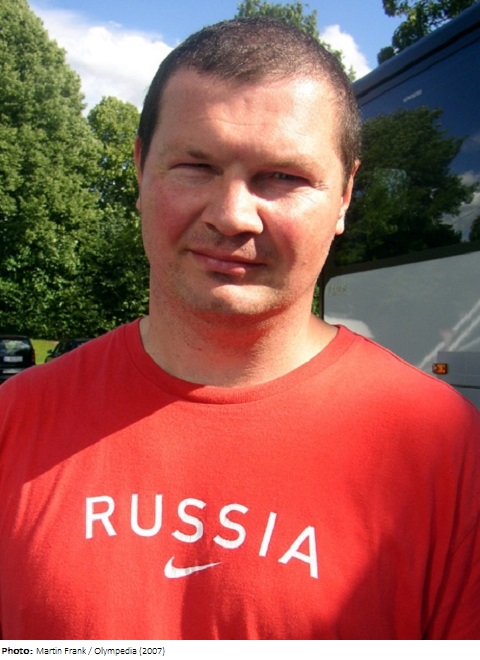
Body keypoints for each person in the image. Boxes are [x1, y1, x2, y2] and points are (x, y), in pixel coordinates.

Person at [0, 17, 479, 641]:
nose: (232, 216)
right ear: (141, 170)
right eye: (195, 166)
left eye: (283, 176)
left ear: (344, 196)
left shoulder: (449, 454)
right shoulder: (15, 421)